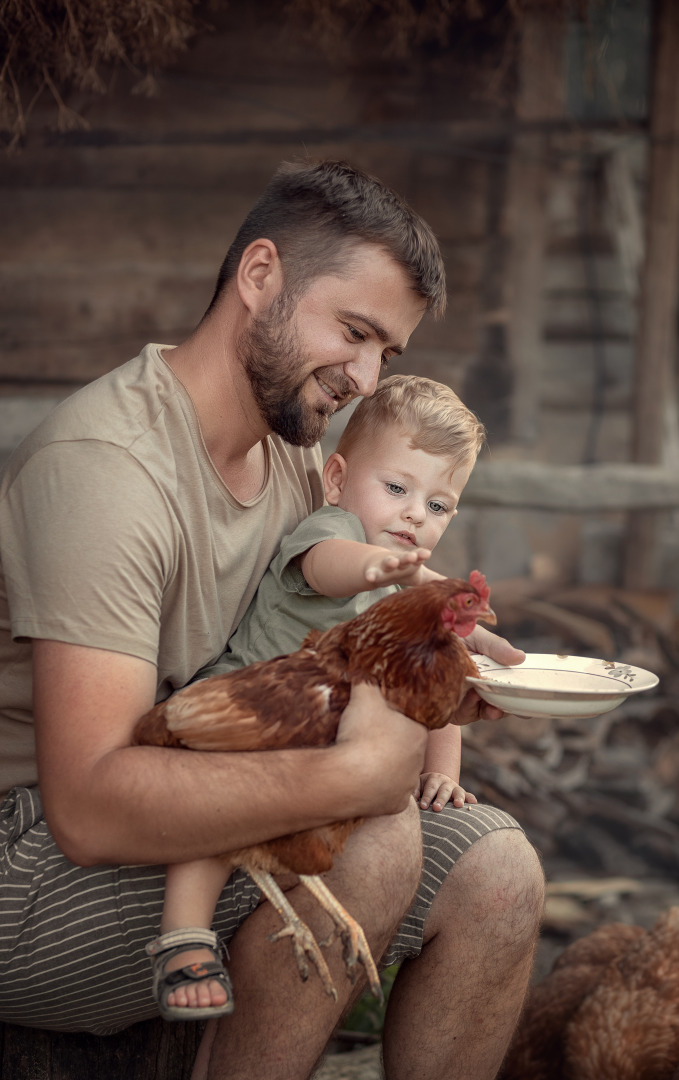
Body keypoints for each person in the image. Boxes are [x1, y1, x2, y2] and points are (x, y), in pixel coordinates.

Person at [0, 159, 544, 1080]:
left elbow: (345, 605)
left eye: (388, 355)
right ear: (260, 278)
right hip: (33, 856)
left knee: (499, 876)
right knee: (371, 840)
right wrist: (355, 773)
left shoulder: (291, 456)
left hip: (204, 782)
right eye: (354, 332)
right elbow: (87, 808)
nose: (368, 380)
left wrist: (438, 635)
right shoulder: (106, 470)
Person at [150, 373, 484, 1020]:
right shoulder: (331, 533)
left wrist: (442, 772)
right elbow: (329, 565)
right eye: (396, 489)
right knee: (217, 814)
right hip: (246, 712)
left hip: (314, 744)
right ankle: (182, 937)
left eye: (438, 506)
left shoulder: (405, 584)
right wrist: (374, 568)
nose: (416, 515)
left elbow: (436, 682)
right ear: (336, 479)